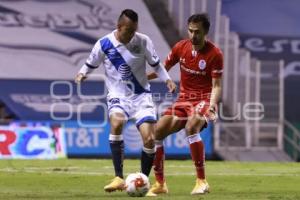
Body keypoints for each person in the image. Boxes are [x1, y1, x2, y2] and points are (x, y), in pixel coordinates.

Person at [75, 9, 176, 193]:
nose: (132, 35)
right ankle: (118, 178)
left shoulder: (143, 41)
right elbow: (90, 63)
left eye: (134, 30)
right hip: (118, 95)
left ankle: (143, 180)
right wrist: (82, 74)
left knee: (150, 138)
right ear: (119, 26)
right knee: (117, 122)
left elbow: (156, 65)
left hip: (141, 96)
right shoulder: (104, 44)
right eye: (128, 30)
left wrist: (168, 80)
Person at [146, 13, 223, 196]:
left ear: (205, 32)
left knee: (191, 127)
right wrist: (140, 78)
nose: (193, 35)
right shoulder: (181, 47)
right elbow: (162, 69)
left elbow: (217, 85)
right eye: (190, 31)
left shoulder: (215, 54)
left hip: (204, 99)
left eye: (197, 32)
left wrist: (212, 106)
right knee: (157, 131)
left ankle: (201, 181)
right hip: (183, 100)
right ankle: (160, 183)